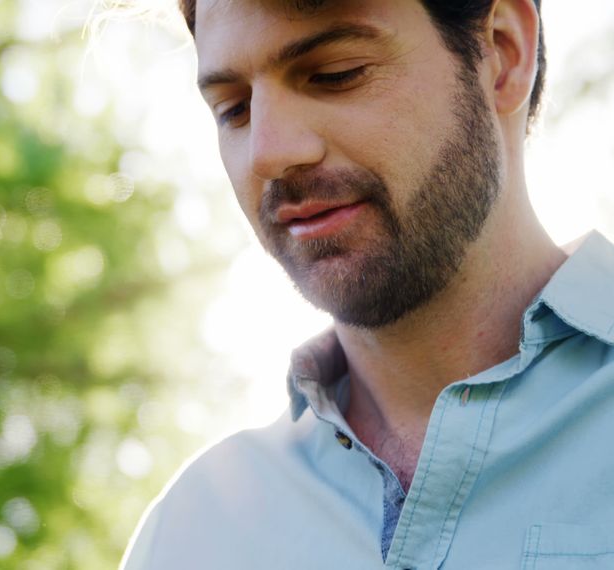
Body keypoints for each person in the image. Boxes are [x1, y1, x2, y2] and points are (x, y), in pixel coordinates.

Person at [122, 0, 614, 568]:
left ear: (502, 53)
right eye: (234, 109)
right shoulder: (195, 532)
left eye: (335, 74)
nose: (270, 152)